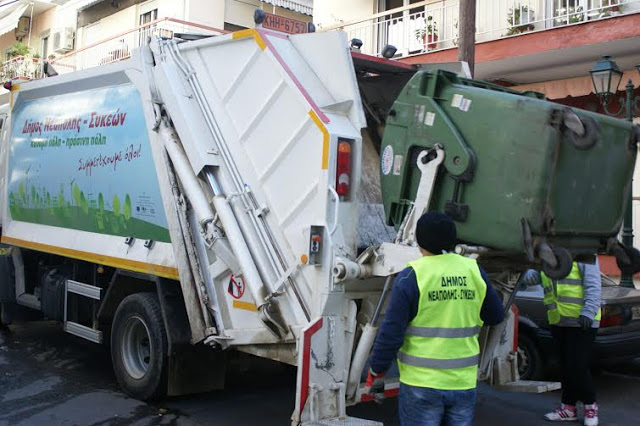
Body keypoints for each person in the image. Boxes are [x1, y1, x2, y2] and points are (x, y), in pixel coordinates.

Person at [366, 211, 505, 426]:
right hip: (462, 382)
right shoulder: (473, 270)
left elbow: (391, 333)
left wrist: (376, 370)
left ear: (420, 242)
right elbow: (495, 315)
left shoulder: (413, 276)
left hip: (421, 384)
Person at [523, 259, 601, 426]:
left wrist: (588, 312)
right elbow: (531, 279)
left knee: (577, 366)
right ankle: (568, 409)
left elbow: (593, 286)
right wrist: (527, 264)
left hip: (582, 320)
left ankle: (590, 407)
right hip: (559, 320)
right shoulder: (547, 256)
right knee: (566, 366)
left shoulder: (585, 254)